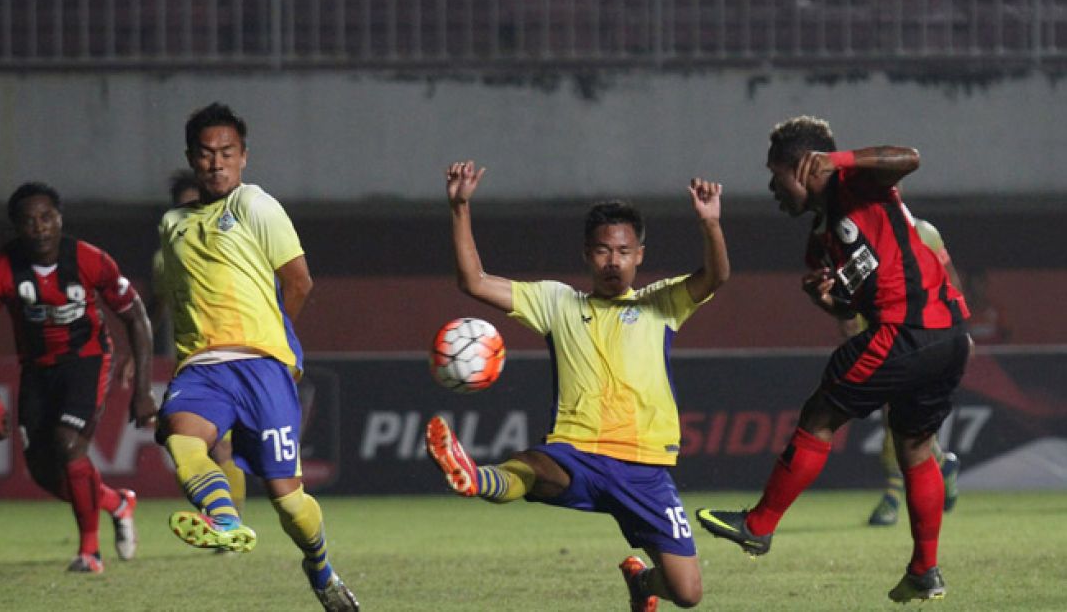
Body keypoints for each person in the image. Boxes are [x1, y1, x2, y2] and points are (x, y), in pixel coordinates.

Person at [426, 161, 730, 611]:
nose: (614, 261)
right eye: (604, 251)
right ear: (588, 254)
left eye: (624, 251)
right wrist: (460, 208)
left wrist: (710, 225)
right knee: (531, 469)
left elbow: (716, 276)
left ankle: (644, 584)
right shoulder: (556, 302)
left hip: (645, 468)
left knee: (687, 594)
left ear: (640, 255)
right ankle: (475, 477)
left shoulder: (662, 303)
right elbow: (473, 282)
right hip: (579, 451)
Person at [695, 116, 971, 603]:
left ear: (802, 168)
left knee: (819, 416)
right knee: (914, 447)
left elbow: (909, 156)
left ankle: (758, 525)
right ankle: (924, 571)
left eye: (774, 173)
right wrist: (828, 301)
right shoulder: (821, 241)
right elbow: (852, 305)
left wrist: (837, 159)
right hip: (945, 337)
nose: (771, 187)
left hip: (908, 329)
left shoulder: (855, 181)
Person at [155, 102, 358, 611]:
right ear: (191, 159)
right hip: (201, 369)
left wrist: (276, 343)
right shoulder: (172, 225)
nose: (217, 163)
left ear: (244, 156)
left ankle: (320, 568)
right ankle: (224, 521)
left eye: (227, 152)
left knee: (289, 502)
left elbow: (299, 282)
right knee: (182, 440)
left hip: (261, 368)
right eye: (206, 154)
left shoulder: (254, 204)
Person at [0, 182, 155, 573]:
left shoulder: (90, 260)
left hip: (87, 359)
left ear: (59, 219)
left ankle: (89, 552)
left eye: (46, 217)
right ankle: (116, 502)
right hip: (37, 368)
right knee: (43, 472)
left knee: (68, 443)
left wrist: (142, 391)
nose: (39, 227)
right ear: (15, 227)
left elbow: (135, 316)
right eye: (28, 221)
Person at [838, 217, 961, 527]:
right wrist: (849, 323)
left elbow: (950, 281)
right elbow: (849, 297)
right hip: (878, 335)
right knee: (895, 417)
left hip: (921, 333)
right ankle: (942, 465)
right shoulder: (857, 240)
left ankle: (893, 498)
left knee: (897, 415)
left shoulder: (924, 232)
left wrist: (957, 326)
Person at [149, 169, 248, 524]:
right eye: (183, 209)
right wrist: (139, 355)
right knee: (183, 443)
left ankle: (230, 520)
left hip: (232, 359)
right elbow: (155, 311)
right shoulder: (165, 257)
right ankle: (222, 515)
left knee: (222, 446)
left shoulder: (234, 247)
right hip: (190, 364)